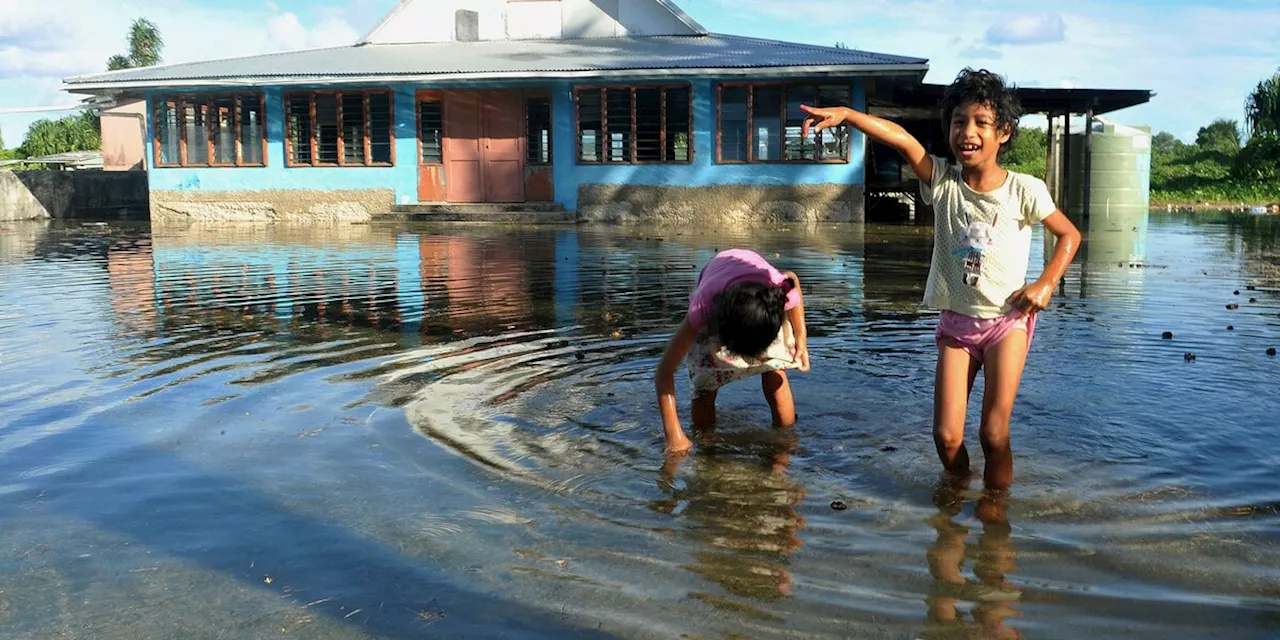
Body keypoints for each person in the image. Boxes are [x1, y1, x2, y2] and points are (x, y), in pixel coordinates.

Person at [800, 68, 1081, 490]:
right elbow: (902, 140)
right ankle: (956, 493)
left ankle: (995, 513)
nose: (968, 131)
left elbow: (1069, 235)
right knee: (946, 437)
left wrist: (1044, 284)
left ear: (1003, 132)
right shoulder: (943, 182)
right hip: (957, 324)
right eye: (958, 121)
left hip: (1008, 322)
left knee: (993, 433)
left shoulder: (1025, 189)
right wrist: (848, 115)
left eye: (981, 123)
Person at [655, 249, 810, 455]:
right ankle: (706, 444)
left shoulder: (776, 291)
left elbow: (791, 280)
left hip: (758, 304)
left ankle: (786, 439)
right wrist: (674, 435)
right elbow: (664, 372)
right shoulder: (703, 308)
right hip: (720, 307)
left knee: (775, 369)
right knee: (704, 386)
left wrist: (801, 340)